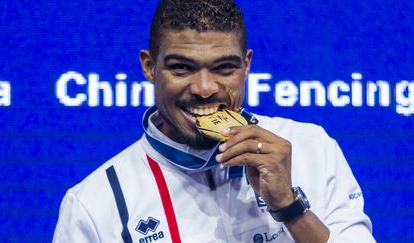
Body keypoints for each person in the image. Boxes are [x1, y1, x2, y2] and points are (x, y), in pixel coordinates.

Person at [53, 0, 376, 242]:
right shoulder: (95, 202)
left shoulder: (311, 147)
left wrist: (288, 206)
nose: (205, 88)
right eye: (182, 68)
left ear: (246, 65)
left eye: (224, 68)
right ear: (150, 67)